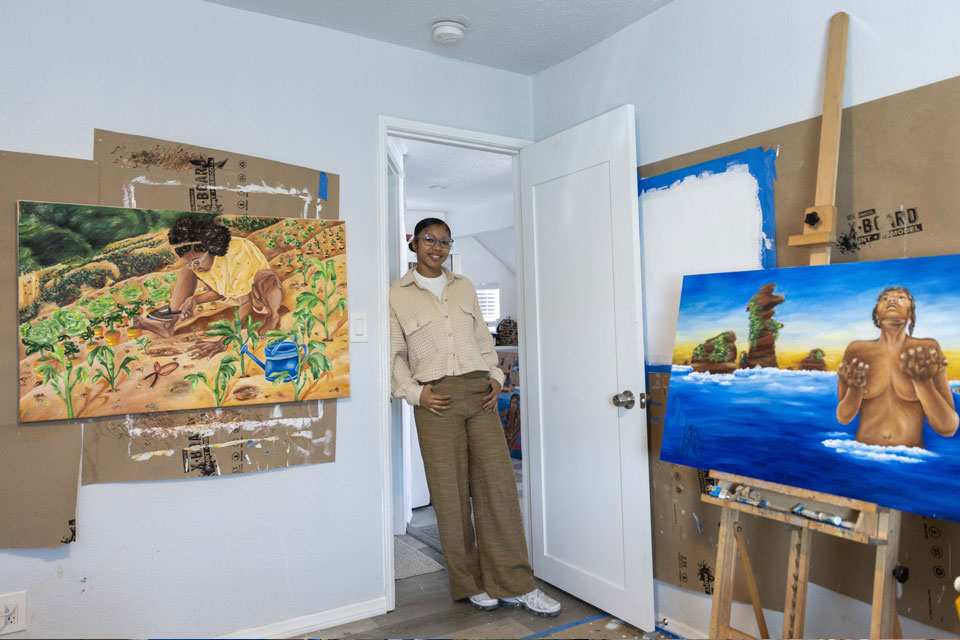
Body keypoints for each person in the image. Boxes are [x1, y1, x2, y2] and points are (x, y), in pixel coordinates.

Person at [390, 217, 560, 616]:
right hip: (437, 399)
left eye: (445, 241)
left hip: (479, 392)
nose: (437, 247)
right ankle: (468, 582)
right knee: (448, 495)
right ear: (413, 243)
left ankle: (516, 583)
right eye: (429, 239)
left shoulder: (463, 287)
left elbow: (484, 339)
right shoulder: (397, 294)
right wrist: (416, 394)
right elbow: (394, 356)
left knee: (498, 489)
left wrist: (498, 377)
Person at [836, 286, 958, 447]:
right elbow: (843, 418)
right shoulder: (857, 351)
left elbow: (948, 428)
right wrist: (855, 388)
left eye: (901, 297)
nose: (891, 300)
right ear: (876, 312)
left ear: (911, 313)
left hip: (909, 460)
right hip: (861, 453)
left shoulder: (927, 349)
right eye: (884, 299)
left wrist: (924, 384)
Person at [136, 215, 284, 344]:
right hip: (236, 295)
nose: (195, 267)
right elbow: (218, 293)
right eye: (190, 263)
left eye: (196, 261)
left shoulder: (238, 253)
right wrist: (194, 300)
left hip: (258, 295)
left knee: (266, 278)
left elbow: (246, 304)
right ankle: (169, 324)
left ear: (211, 248)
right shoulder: (200, 265)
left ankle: (273, 317)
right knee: (186, 271)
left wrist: (223, 340)